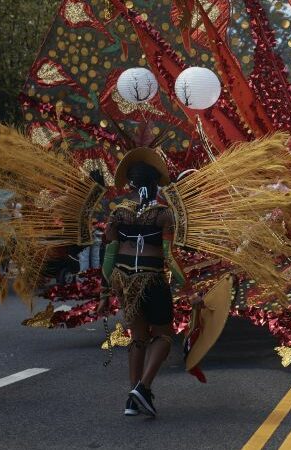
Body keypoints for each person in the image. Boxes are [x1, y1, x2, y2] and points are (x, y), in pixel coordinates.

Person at [96, 150, 187, 418]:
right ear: (154, 185)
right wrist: (189, 290)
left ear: (131, 184)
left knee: (137, 339)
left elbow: (109, 255)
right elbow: (170, 256)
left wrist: (104, 292)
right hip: (152, 280)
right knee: (163, 336)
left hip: (124, 282)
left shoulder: (117, 214)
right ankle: (143, 388)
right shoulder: (163, 214)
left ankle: (131, 399)